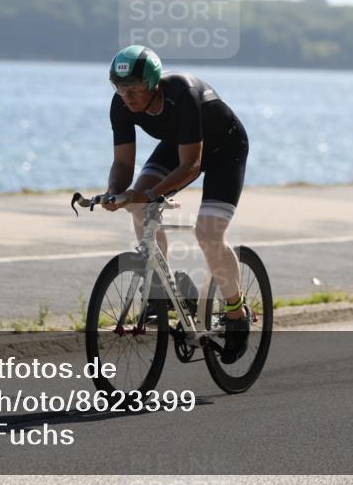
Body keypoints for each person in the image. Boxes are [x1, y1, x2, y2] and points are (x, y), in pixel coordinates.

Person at [102, 45, 252, 364]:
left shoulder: (181, 93)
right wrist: (115, 191)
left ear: (154, 84)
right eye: (120, 88)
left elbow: (191, 166)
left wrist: (150, 193)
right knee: (136, 203)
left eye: (135, 89)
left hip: (224, 149)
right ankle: (164, 290)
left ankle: (236, 313)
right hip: (180, 145)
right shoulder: (121, 105)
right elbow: (123, 164)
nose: (127, 96)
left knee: (208, 233)